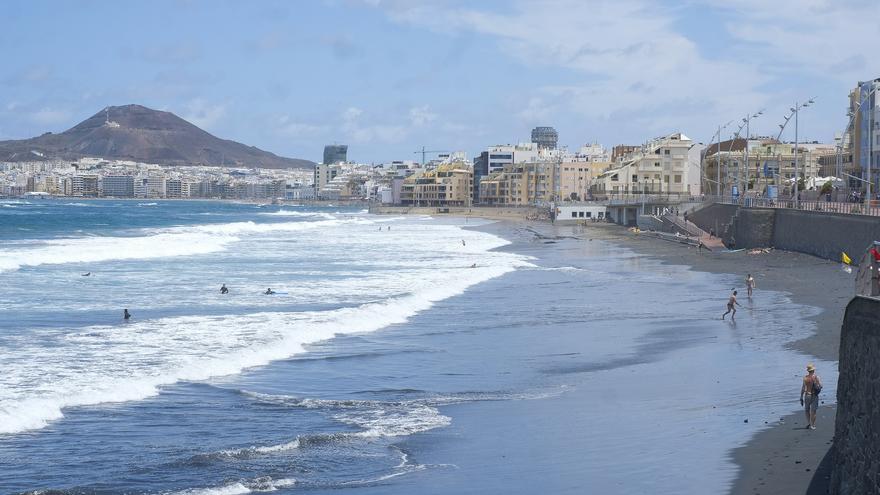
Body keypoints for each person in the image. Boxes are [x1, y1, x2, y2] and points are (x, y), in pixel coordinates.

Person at [800, 363, 822, 430]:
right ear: (813, 370)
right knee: (813, 411)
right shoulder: (816, 377)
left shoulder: (805, 378)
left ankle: (809, 423)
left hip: (807, 395)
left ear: (808, 370)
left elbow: (803, 388)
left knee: (807, 410)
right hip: (815, 395)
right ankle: (813, 425)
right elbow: (821, 386)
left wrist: (801, 397)